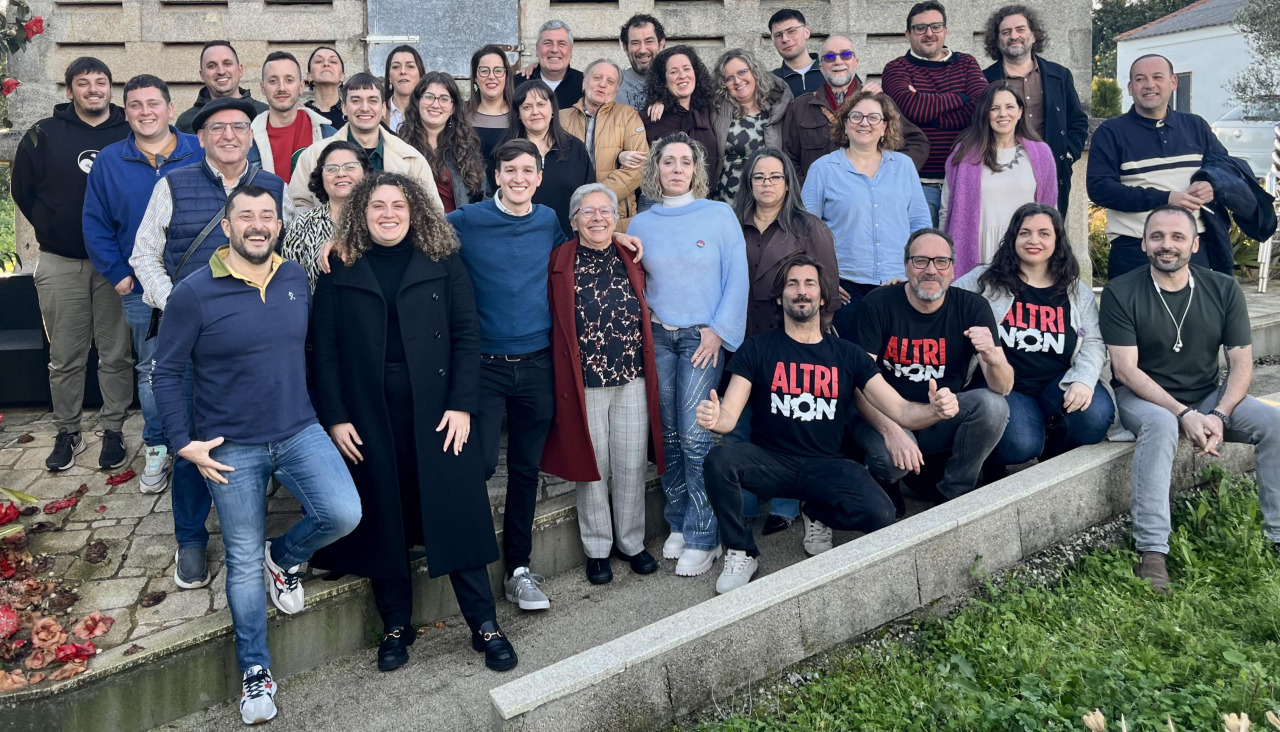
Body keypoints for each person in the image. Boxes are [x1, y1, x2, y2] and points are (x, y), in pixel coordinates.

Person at [150, 185, 361, 725]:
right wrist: (181, 442)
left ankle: (285, 557)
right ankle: (255, 671)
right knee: (241, 562)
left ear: (278, 224)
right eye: (246, 216)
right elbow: (166, 371)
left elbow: (314, 347)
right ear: (227, 227)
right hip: (230, 447)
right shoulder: (193, 293)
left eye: (267, 215)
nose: (258, 224)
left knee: (343, 513)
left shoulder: (293, 277)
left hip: (298, 428)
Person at [309, 172, 517, 674]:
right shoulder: (341, 265)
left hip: (440, 409)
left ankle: (484, 624)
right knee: (385, 516)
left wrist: (462, 405)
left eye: (397, 205)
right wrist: (335, 418)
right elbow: (324, 351)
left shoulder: (444, 260)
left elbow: (469, 335)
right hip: (368, 413)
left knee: (456, 511)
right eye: (377, 205)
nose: (387, 214)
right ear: (362, 211)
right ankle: (396, 625)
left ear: (414, 210)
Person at [448, 139, 642, 609]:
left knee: (525, 470)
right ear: (497, 175)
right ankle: (469, 566)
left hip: (537, 364)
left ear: (538, 178)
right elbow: (417, 233)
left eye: (527, 171)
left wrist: (613, 235)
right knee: (478, 466)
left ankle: (518, 569)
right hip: (487, 366)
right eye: (509, 170)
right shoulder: (466, 220)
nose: (518, 179)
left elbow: (581, 246)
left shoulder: (546, 220)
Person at [698, 255, 957, 591]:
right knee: (719, 461)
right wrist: (716, 419)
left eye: (809, 284)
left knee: (882, 513)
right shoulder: (758, 349)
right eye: (792, 284)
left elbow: (903, 411)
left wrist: (935, 410)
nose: (801, 291)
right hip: (772, 462)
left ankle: (816, 512)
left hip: (827, 466)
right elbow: (729, 416)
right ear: (780, 297)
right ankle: (742, 550)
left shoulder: (849, 355)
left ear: (823, 297)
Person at [131, 96, 290, 591]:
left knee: (251, 432)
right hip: (191, 345)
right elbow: (143, 256)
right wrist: (178, 303)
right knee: (192, 437)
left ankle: (251, 531)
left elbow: (282, 256)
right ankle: (192, 538)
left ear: (250, 134)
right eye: (217, 128)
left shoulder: (273, 188)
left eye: (238, 127)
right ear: (201, 138)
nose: (228, 136)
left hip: (253, 343)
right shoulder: (172, 185)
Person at [1102, 205, 1280, 593]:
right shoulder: (1121, 290)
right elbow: (1126, 370)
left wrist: (1217, 413)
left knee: (1275, 424)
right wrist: (1184, 412)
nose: (1167, 245)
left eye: (1177, 237)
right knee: (1162, 423)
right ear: (1145, 243)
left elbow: (1241, 364)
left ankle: (1278, 535)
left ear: (1195, 244)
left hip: (1208, 395)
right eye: (1158, 237)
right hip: (1141, 398)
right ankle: (1151, 552)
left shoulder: (1223, 287)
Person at [628, 133, 749, 577]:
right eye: (668, 162)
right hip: (660, 336)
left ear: (696, 170)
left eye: (685, 161)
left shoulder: (718, 215)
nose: (677, 169)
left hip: (703, 338)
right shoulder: (642, 223)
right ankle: (679, 519)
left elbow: (738, 275)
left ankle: (705, 534)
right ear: (656, 170)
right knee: (669, 434)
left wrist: (718, 332)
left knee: (696, 435)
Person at [83, 74, 202, 492]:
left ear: (171, 108)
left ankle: (207, 442)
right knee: (153, 370)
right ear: (126, 112)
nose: (145, 112)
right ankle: (158, 447)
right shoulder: (110, 161)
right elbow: (95, 224)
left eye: (153, 103)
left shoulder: (198, 150)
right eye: (135, 105)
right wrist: (118, 276)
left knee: (208, 365)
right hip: (140, 291)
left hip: (201, 286)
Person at [14, 56, 132, 472]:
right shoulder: (43, 134)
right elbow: (23, 191)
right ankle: (68, 430)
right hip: (61, 262)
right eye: (84, 83)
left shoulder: (129, 130)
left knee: (117, 353)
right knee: (65, 355)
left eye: (101, 82)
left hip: (116, 266)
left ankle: (114, 428)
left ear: (111, 88)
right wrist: (55, 226)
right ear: (70, 91)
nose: (94, 89)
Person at [542, 183, 663, 585]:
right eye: (587, 212)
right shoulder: (560, 258)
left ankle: (630, 542)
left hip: (631, 376)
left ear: (616, 217)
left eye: (605, 211)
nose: (598, 218)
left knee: (630, 463)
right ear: (573, 220)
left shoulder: (630, 253)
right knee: (593, 468)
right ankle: (597, 549)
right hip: (585, 382)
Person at [851, 228, 1012, 507]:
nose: (931, 270)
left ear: (952, 268)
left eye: (941, 262)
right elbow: (857, 385)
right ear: (906, 265)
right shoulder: (878, 303)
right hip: (887, 411)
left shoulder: (972, 307)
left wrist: (993, 356)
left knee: (994, 406)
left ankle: (953, 492)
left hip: (942, 411)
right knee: (892, 462)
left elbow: (1003, 387)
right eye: (920, 261)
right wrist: (892, 431)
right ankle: (886, 480)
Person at [954, 203, 1113, 477]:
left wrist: (1084, 379)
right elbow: (943, 298)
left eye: (1044, 233)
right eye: (1025, 233)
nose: (1034, 240)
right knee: (1018, 444)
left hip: (1056, 384)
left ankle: (1052, 454)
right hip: (1005, 388)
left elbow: (1095, 341)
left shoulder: (1075, 291)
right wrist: (907, 289)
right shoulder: (985, 281)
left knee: (1095, 415)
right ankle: (998, 460)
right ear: (1013, 238)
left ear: (1057, 240)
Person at [729, 147, 840, 533]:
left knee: (786, 421)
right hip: (740, 337)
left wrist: (812, 338)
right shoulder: (731, 223)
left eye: (775, 176)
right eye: (759, 177)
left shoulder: (809, 228)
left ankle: (785, 505)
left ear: (788, 182)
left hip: (791, 338)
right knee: (739, 423)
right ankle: (741, 506)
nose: (766, 184)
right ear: (748, 182)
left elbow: (828, 290)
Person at [801, 89, 931, 339]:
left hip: (898, 284)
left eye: (873, 118)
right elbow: (807, 232)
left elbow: (920, 225)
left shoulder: (903, 166)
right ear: (845, 124)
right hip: (846, 288)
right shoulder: (823, 169)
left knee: (894, 363)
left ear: (885, 127)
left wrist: (915, 273)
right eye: (856, 116)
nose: (864, 123)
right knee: (851, 362)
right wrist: (824, 280)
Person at [1087, 55, 1228, 279]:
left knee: (1196, 314)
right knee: (1133, 314)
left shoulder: (1196, 126)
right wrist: (1166, 199)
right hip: (1134, 248)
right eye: (1140, 79)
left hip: (1193, 247)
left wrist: (1213, 185)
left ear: (1173, 83)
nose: (1149, 84)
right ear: (1130, 88)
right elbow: (1100, 189)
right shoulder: (1111, 132)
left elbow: (1226, 169)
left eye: (1157, 77)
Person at [881, 1, 989, 224]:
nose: (929, 33)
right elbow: (910, 110)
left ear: (945, 31)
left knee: (962, 254)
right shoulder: (896, 68)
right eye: (920, 28)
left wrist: (925, 107)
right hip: (918, 184)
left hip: (965, 181)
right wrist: (960, 97)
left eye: (936, 26)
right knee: (920, 253)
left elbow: (981, 110)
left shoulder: (967, 63)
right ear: (908, 34)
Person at [940, 81, 1057, 276]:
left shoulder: (1041, 154)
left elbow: (1051, 210)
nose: (1003, 114)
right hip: (977, 248)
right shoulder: (964, 153)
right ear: (986, 114)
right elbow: (947, 210)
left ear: (1020, 112)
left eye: (1010, 107)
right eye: (995, 108)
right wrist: (943, 253)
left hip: (1024, 248)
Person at [982, 5, 1088, 214]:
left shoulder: (1060, 75)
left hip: (1050, 170)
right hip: (1001, 171)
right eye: (1006, 32)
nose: (1014, 36)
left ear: (1033, 34)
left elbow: (1077, 121)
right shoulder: (983, 79)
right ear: (997, 40)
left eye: (1020, 29)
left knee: (1046, 235)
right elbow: (977, 126)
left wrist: (1066, 155)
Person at [781, 36, 931, 183]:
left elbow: (917, 143)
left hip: (868, 201)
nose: (838, 61)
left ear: (856, 63)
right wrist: (806, 191)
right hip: (817, 202)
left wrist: (890, 176)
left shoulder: (879, 102)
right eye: (829, 57)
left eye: (846, 55)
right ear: (821, 67)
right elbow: (789, 157)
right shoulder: (800, 107)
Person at [289, 72, 441, 212]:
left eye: (372, 101)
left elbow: (433, 212)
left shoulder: (411, 158)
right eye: (356, 101)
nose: (364, 108)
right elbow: (298, 205)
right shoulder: (313, 155)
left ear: (383, 109)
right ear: (344, 108)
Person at [561, 59, 648, 226]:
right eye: (597, 78)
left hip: (616, 215)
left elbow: (638, 167)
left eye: (610, 81)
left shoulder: (628, 116)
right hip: (569, 212)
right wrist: (577, 202)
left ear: (616, 90)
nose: (602, 84)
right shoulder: (562, 118)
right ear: (584, 83)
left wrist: (597, 199)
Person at [501, 80, 594, 236]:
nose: (535, 112)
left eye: (541, 104)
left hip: (568, 241)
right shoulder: (506, 152)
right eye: (527, 107)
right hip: (519, 239)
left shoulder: (575, 148)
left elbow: (589, 197)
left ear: (552, 109)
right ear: (518, 114)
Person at [279, 140, 370, 290]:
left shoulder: (378, 220)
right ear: (321, 176)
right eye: (331, 169)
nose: (341, 174)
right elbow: (289, 283)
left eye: (350, 167)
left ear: (366, 174)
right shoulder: (302, 224)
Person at [710, 49, 793, 203]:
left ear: (754, 72)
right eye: (729, 78)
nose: (737, 81)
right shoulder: (716, 110)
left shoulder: (778, 109)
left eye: (742, 72)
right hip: (727, 198)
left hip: (767, 196)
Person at [399, 72, 487, 214]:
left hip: (457, 229)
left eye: (444, 99)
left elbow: (482, 196)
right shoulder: (400, 146)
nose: (435, 104)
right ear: (417, 102)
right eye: (429, 97)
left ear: (453, 108)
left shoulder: (465, 147)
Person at [249, 51, 335, 183]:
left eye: (289, 80)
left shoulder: (329, 136)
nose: (281, 88)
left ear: (301, 86)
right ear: (262, 87)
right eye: (273, 81)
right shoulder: (247, 140)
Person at [641, 46, 722, 186]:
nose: (682, 75)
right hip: (665, 200)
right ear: (663, 81)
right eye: (673, 72)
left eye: (686, 69)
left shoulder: (709, 110)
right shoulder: (649, 118)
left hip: (706, 199)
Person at [175, 41, 268, 134]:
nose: (221, 71)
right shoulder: (186, 122)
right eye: (212, 66)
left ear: (240, 70)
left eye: (227, 63)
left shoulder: (265, 115)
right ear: (202, 75)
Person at [466, 44, 515, 166]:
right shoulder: (461, 114)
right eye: (484, 71)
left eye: (498, 70)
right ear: (476, 77)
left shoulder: (519, 114)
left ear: (506, 75)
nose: (491, 76)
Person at [522, 20, 585, 110]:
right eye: (548, 43)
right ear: (537, 49)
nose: (555, 50)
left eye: (562, 44)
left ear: (571, 50)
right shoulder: (517, 84)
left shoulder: (585, 85)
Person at [767, 9, 823, 98]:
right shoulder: (768, 82)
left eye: (791, 31)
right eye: (778, 35)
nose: (785, 39)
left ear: (806, 32)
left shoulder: (830, 72)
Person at [618, 14, 666, 111]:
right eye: (635, 43)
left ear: (661, 45)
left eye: (649, 41)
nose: (642, 50)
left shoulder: (676, 81)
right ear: (625, 48)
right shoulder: (613, 83)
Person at [382, 45, 422, 135]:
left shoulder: (430, 111)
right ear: (389, 76)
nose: (403, 71)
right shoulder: (378, 112)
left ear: (420, 74)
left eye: (410, 66)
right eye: (396, 67)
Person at [304, 45, 346, 129]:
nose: (326, 64)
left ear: (342, 76)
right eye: (319, 61)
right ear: (309, 76)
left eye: (333, 61)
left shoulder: (351, 113)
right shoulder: (301, 113)